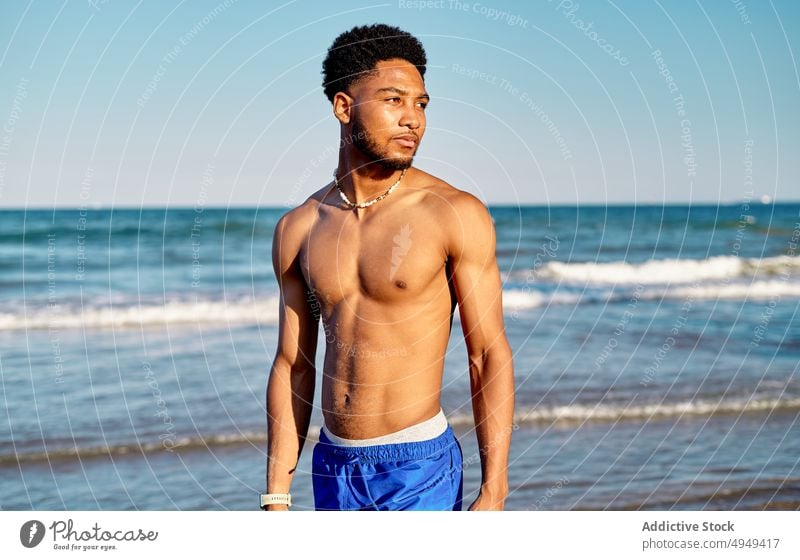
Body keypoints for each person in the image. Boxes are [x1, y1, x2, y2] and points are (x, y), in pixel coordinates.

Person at [263, 23, 514, 511]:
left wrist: (494, 489)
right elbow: (293, 365)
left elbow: (487, 354)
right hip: (332, 464)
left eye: (421, 104)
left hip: (419, 465)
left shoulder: (453, 213)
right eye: (394, 100)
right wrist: (276, 493)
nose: (413, 120)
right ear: (343, 106)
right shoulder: (298, 228)